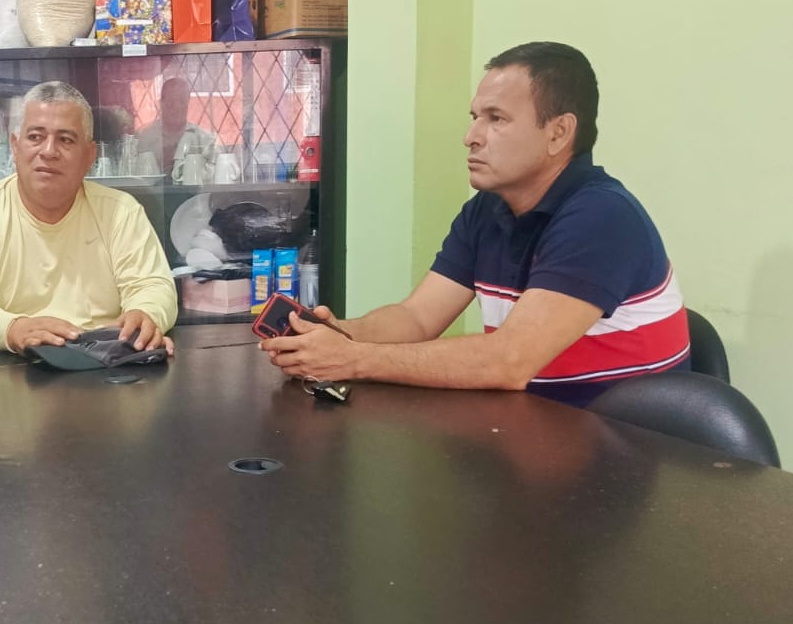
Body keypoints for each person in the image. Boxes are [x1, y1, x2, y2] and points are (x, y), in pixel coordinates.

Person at [263, 42, 689, 406]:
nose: (472, 137)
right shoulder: (488, 209)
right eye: (475, 117)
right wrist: (339, 334)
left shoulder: (602, 217)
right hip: (533, 439)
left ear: (558, 133)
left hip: (626, 453)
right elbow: (417, 318)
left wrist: (353, 359)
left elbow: (509, 361)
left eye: (496, 118)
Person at [0, 81, 178, 354]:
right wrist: (14, 328)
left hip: (105, 356)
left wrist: (144, 314)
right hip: (15, 361)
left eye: (65, 140)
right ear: (15, 146)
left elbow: (152, 286)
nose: (49, 151)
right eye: (35, 137)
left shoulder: (121, 212)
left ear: (89, 155)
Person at [134, 76, 218, 179]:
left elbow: (215, 176)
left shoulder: (203, 139)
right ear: (161, 103)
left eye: (182, 101)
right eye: (171, 102)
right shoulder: (144, 138)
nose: (177, 107)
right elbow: (134, 174)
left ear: (188, 103)